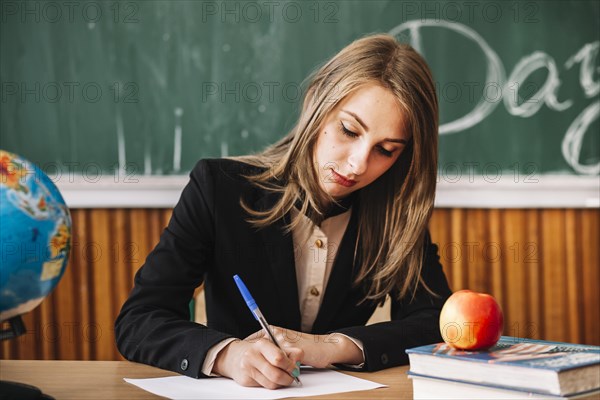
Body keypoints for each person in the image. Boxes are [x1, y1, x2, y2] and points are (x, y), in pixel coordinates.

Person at [115, 33, 453, 389]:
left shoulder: (395, 214)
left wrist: (331, 346)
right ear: (315, 103)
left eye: (386, 149)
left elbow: (434, 322)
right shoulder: (218, 188)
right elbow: (139, 320)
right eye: (349, 130)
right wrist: (230, 355)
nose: (357, 164)